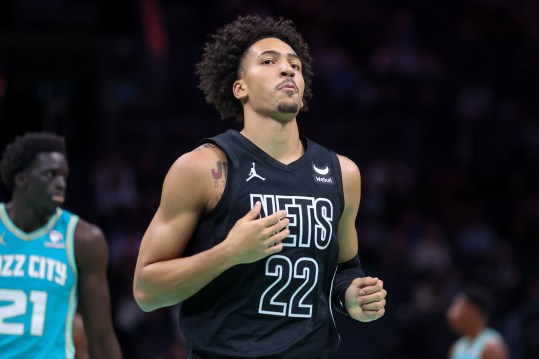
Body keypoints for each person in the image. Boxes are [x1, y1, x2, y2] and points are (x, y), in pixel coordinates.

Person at [133, 15, 387, 358]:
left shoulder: (343, 173)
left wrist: (352, 297)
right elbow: (147, 291)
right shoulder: (203, 168)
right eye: (269, 61)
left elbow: (345, 269)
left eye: (294, 65)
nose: (287, 70)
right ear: (240, 87)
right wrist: (228, 253)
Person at [0, 132, 123, 359]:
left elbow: (102, 338)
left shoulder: (83, 239)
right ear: (21, 180)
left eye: (64, 177)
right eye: (51, 175)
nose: (61, 184)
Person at [447, 285, 509, 359]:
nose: (450, 313)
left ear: (473, 311)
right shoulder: (457, 347)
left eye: (457, 306)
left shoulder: (491, 346)